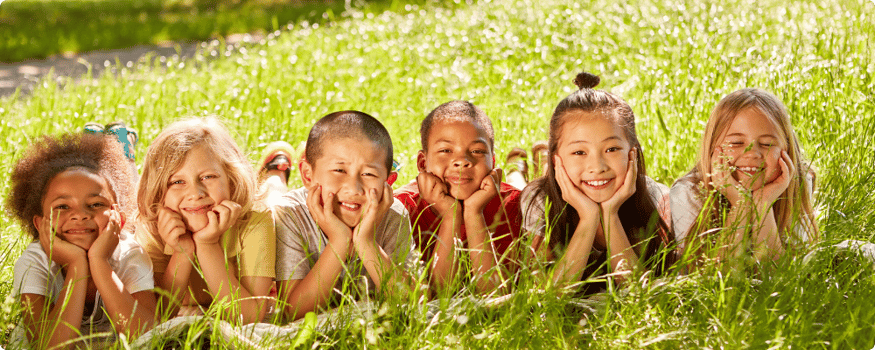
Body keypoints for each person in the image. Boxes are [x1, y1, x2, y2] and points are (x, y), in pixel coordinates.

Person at [521, 72, 675, 293]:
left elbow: (640, 296)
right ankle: (519, 167)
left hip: (579, 179)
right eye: (579, 151)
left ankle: (543, 158)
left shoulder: (655, 196)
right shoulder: (538, 199)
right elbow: (549, 297)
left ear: (632, 153)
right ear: (557, 160)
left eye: (611, 149)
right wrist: (589, 217)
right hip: (550, 182)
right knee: (519, 185)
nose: (598, 166)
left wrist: (609, 215)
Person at [8, 133, 156, 348]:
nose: (80, 215)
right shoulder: (34, 261)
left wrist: (99, 261)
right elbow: (50, 346)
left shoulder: (129, 253)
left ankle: (123, 144)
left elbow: (149, 337)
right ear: (40, 224)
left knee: (135, 196)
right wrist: (77, 266)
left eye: (96, 204)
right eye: (63, 206)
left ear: (117, 218)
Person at [271, 110, 415, 321]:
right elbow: (293, 312)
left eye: (369, 174)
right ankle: (275, 175)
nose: (353, 188)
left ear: (388, 182)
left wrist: (366, 242)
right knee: (270, 199)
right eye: (339, 170)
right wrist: (340, 242)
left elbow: (414, 303)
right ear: (307, 175)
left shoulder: (393, 214)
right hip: (279, 202)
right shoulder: (289, 214)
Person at [135, 117, 275, 324]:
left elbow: (249, 319)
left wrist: (207, 245)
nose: (195, 193)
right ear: (159, 192)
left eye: (208, 177)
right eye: (177, 181)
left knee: (275, 192)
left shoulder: (255, 220)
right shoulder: (152, 228)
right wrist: (181, 252)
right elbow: (157, 317)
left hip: (266, 204)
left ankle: (275, 170)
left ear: (232, 180)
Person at [670, 88, 818, 266]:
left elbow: (780, 278)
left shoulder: (797, 183)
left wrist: (763, 204)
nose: (752, 153)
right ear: (711, 148)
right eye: (736, 143)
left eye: (766, 144)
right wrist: (740, 203)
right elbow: (717, 281)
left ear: (786, 150)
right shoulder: (688, 194)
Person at [395, 100, 523, 295]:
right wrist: (451, 216)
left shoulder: (515, 204)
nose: (462, 162)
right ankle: (517, 166)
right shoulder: (403, 208)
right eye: (446, 150)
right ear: (422, 163)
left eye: (477, 151)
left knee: (526, 187)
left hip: (513, 190)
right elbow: (437, 298)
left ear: (493, 162)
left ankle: (517, 169)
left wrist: (474, 213)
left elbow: (495, 294)